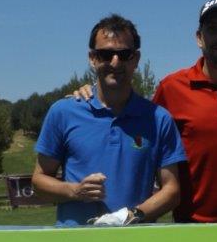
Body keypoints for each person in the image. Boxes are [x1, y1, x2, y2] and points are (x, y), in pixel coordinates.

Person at [75, 0, 217, 222]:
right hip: (189, 223)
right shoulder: (172, 87)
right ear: (199, 38)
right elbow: (135, 122)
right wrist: (93, 93)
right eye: (212, 29)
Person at [32, 14, 186, 226]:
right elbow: (39, 181)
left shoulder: (158, 119)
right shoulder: (63, 112)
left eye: (124, 54)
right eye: (105, 54)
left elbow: (172, 190)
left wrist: (131, 216)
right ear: (92, 58)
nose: (115, 62)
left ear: (136, 59)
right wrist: (75, 191)